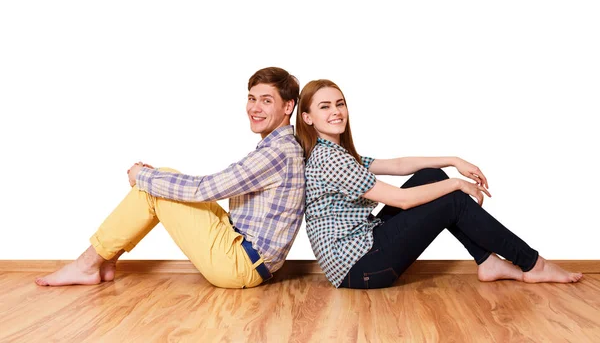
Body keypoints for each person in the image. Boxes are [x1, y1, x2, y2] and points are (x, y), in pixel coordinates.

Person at [296, 79, 583, 289]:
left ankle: (487, 261)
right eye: (325, 107)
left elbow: (396, 165)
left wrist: (452, 160)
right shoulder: (329, 159)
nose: (336, 111)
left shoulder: (337, 152)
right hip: (360, 268)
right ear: (308, 118)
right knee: (452, 199)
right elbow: (402, 200)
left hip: (362, 253)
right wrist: (457, 184)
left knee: (430, 177)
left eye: (340, 103)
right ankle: (534, 264)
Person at [36, 67, 305, 289]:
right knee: (161, 180)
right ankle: (103, 262)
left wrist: (143, 176)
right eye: (252, 98)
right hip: (245, 255)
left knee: (154, 185)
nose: (255, 108)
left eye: (266, 100)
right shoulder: (280, 147)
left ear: (287, 106)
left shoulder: (278, 153)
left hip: (240, 265)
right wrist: (153, 178)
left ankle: (87, 265)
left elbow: (205, 189)